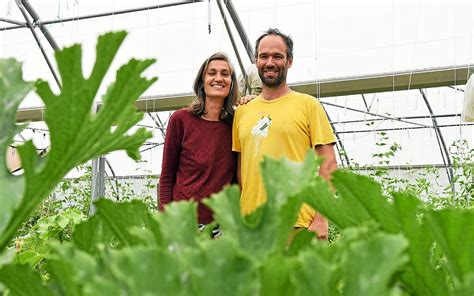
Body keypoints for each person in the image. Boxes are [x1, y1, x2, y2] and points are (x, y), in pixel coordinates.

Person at [232, 28, 337, 239]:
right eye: (264, 56)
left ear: (289, 61)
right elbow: (241, 170)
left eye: (277, 56)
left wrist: (321, 218)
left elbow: (329, 164)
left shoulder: (308, 105)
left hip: (297, 224)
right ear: (256, 61)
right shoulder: (242, 112)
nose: (270, 62)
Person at [158, 52, 239, 235]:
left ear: (232, 83)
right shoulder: (181, 119)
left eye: (225, 74)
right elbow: (167, 176)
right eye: (212, 73)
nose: (218, 78)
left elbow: (237, 179)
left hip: (221, 227)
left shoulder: (237, 124)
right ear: (202, 81)